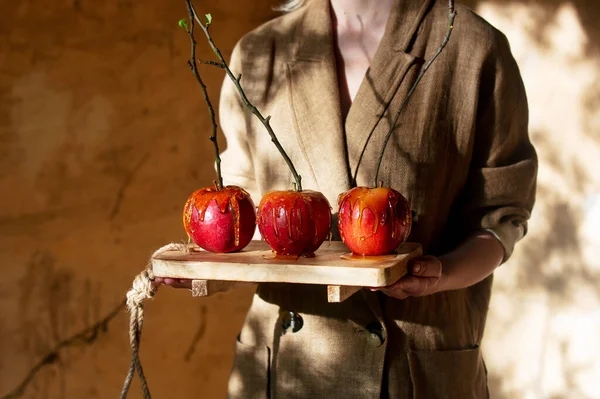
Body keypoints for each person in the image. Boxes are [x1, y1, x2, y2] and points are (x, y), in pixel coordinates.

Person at [161, 0, 537, 397]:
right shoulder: (260, 51)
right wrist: (207, 270)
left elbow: (499, 213)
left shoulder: (469, 46)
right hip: (286, 367)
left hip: (412, 366)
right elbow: (242, 218)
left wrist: (440, 274)